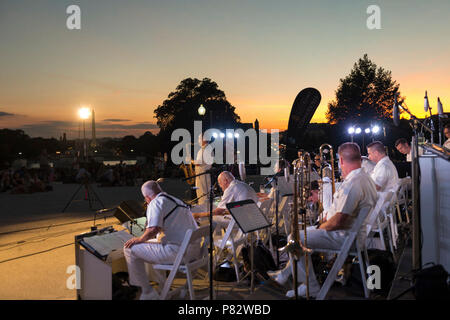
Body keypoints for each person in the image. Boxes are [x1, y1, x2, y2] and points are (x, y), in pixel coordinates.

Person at [268, 142, 377, 298]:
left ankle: (311, 286)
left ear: (341, 161)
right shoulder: (364, 177)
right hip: (351, 234)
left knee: (296, 239)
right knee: (298, 236)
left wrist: (321, 227)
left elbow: (339, 221)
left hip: (344, 237)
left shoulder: (355, 183)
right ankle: (285, 274)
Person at [123, 180, 199, 300]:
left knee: (130, 249)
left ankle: (147, 292)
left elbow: (153, 229)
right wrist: (144, 240)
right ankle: (163, 286)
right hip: (194, 251)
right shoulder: (176, 200)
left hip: (178, 252)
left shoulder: (156, 202)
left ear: (147, 197)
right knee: (148, 245)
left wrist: (140, 239)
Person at [192, 171, 258, 228]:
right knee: (215, 214)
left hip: (242, 221)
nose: (220, 186)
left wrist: (197, 215)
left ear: (225, 181)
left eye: (220, 183)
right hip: (253, 218)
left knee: (211, 218)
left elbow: (218, 211)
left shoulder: (231, 188)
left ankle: (205, 241)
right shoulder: (243, 184)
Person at [194, 135, 214, 206]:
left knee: (202, 192)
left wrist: (191, 160)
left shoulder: (203, 149)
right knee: (206, 191)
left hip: (201, 174)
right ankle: (207, 207)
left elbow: (199, 162)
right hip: (206, 173)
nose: (198, 140)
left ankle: (203, 208)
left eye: (199, 139)